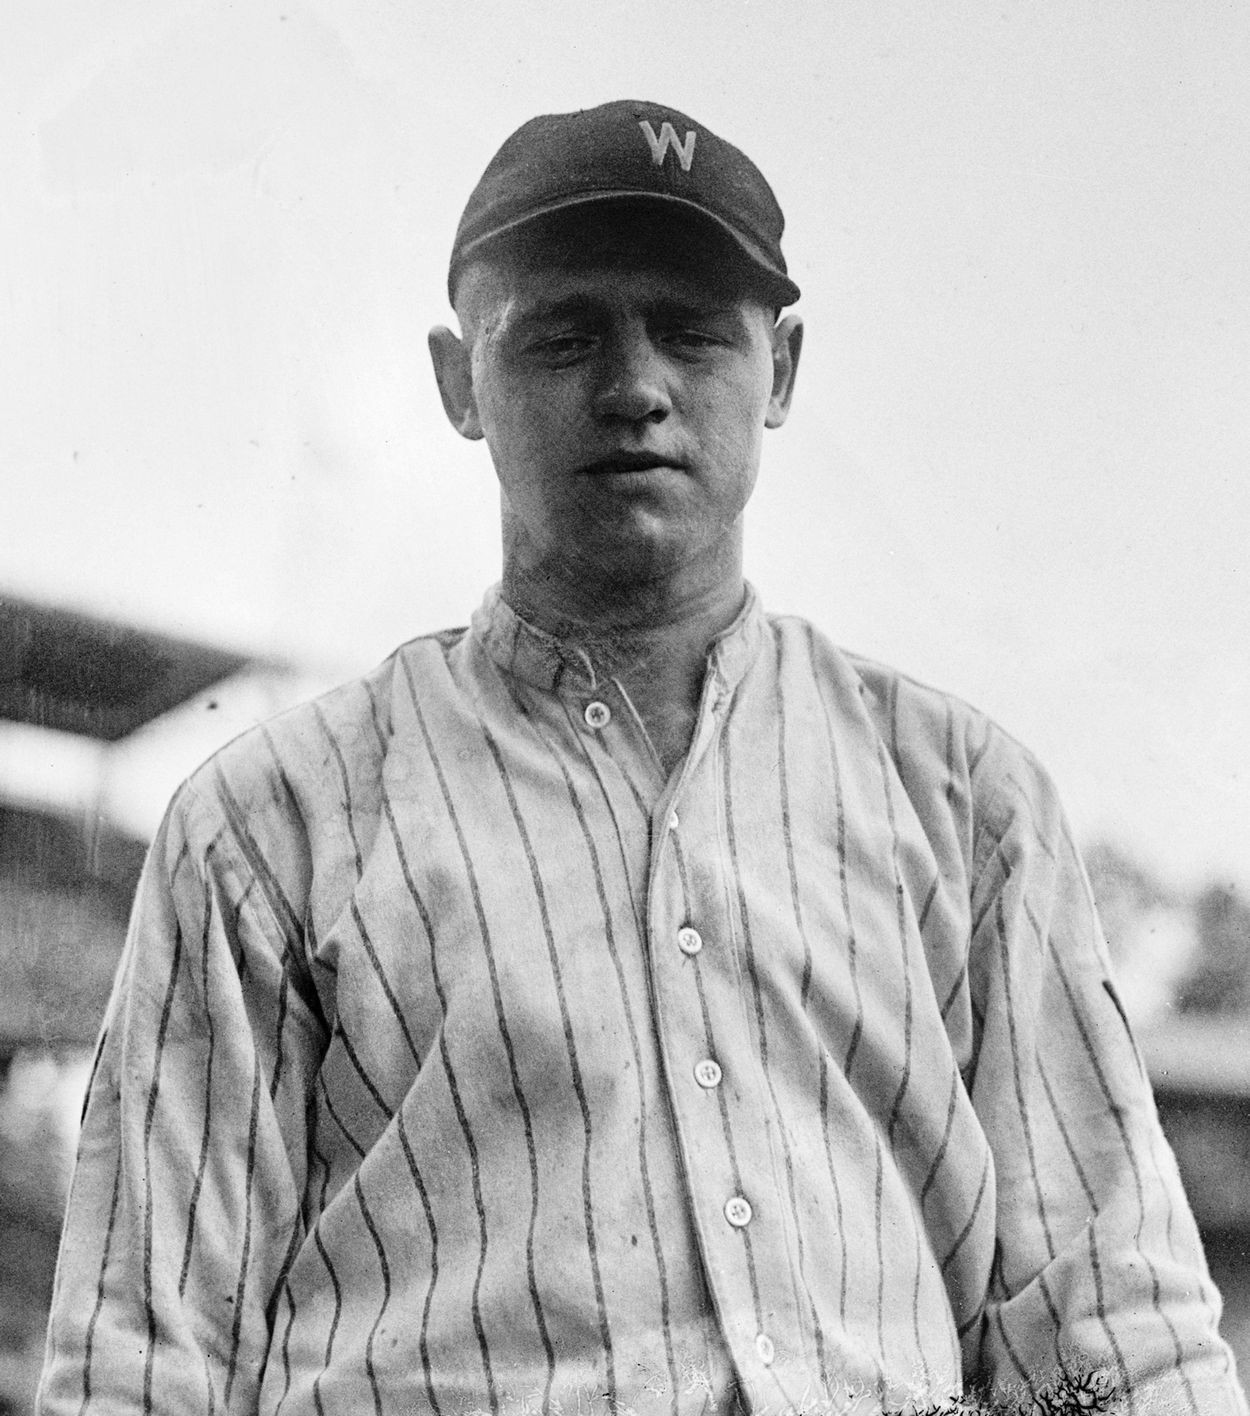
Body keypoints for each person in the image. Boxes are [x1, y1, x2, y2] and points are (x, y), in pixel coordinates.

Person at [37, 100, 1245, 1416]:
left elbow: (1117, 1323)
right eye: (563, 335)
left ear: (780, 370)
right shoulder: (270, 819)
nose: (634, 388)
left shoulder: (963, 801)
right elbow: (140, 1354)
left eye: (691, 331)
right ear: (459, 382)